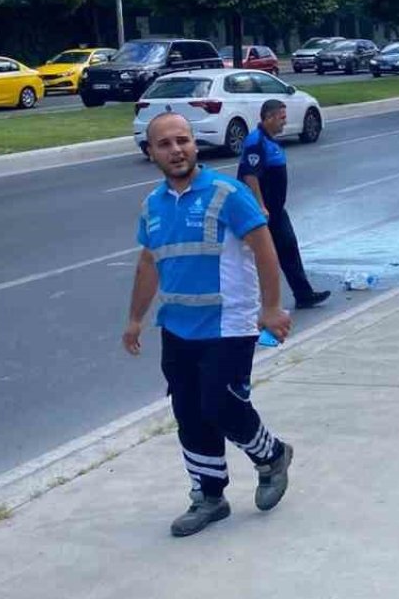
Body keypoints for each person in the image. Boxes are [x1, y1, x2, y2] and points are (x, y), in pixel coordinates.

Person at [123, 113, 295, 538]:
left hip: (229, 324)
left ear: (195, 145)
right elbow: (148, 263)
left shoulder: (227, 192)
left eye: (182, 140)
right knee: (189, 412)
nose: (176, 149)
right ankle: (209, 496)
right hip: (178, 328)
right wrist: (134, 319)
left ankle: (271, 456)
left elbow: (264, 248)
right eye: (164, 144)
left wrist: (272, 308)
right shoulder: (153, 206)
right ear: (151, 153)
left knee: (220, 405)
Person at [238, 99, 331, 310]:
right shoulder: (256, 142)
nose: (284, 122)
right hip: (262, 213)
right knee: (259, 256)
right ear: (269, 118)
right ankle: (251, 303)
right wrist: (261, 206)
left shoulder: (271, 140)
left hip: (276, 211)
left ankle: (304, 295)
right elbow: (250, 176)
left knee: (288, 249)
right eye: (281, 118)